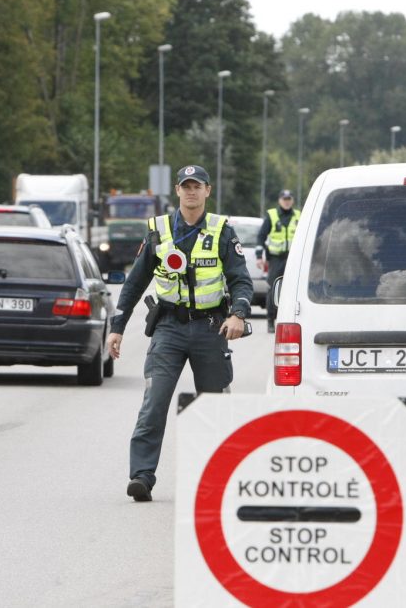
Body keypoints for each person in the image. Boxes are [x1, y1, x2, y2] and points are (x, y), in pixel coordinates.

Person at [106, 164, 253, 502]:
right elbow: (133, 284)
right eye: (185, 186)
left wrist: (239, 314)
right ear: (177, 191)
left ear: (207, 191)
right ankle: (141, 477)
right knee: (154, 403)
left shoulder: (221, 230)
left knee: (213, 406)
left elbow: (240, 279)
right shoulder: (157, 230)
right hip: (169, 329)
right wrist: (117, 328)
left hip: (210, 328)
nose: (191, 191)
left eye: (197, 186)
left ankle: (218, 480)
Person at [256, 189, 301, 332]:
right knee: (273, 289)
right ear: (279, 200)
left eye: (289, 199)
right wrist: (258, 256)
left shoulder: (299, 216)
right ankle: (270, 321)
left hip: (294, 259)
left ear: (292, 200)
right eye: (284, 199)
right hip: (276, 259)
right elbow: (261, 237)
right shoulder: (272, 215)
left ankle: (292, 321)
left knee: (295, 290)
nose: (287, 202)